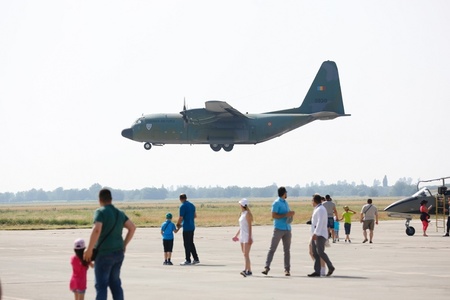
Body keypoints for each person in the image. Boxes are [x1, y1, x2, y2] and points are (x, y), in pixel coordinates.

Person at [84, 188, 136, 300]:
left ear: (100, 199)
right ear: (111, 199)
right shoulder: (119, 213)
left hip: (104, 254)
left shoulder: (100, 212)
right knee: (115, 284)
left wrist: (89, 249)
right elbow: (132, 228)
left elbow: (97, 229)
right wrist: (124, 244)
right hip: (118, 253)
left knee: (101, 285)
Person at [262, 186, 295, 276]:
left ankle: (287, 269)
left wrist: (290, 214)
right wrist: (286, 215)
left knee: (287, 250)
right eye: (286, 193)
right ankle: (266, 267)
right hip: (279, 229)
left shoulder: (285, 202)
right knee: (272, 249)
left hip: (287, 229)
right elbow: (274, 215)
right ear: (284, 193)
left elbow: (287, 214)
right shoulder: (276, 203)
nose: (287, 194)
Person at [308, 194, 335, 277]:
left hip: (320, 234)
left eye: (312, 201)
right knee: (315, 252)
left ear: (315, 201)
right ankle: (317, 271)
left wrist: (316, 233)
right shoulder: (318, 209)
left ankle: (330, 267)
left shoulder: (321, 209)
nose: (311, 203)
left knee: (320, 252)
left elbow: (320, 222)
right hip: (316, 233)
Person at [176, 193, 200, 265]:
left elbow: (181, 217)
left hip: (186, 227)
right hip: (192, 226)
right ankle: (196, 258)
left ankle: (188, 260)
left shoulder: (182, 206)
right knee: (191, 243)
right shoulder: (192, 205)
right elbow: (195, 216)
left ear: (180, 199)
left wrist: (178, 224)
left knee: (186, 244)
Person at [233, 198, 254, 277]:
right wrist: (236, 235)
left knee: (246, 254)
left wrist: (249, 237)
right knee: (244, 254)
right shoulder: (242, 213)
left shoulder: (247, 214)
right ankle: (249, 270)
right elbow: (241, 227)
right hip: (242, 235)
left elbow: (249, 226)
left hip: (247, 236)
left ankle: (246, 270)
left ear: (242, 205)